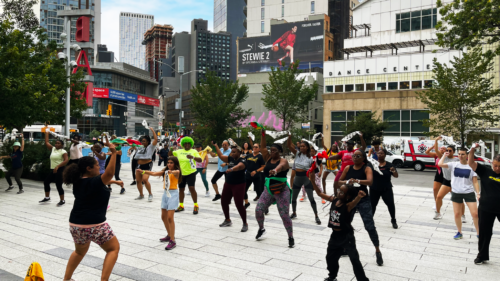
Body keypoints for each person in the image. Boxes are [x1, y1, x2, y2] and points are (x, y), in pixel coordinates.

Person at [62, 137, 121, 281]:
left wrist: (113, 181)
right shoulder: (95, 181)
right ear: (89, 168)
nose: (98, 167)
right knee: (113, 248)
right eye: (96, 165)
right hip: (95, 224)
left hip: (76, 225)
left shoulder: (78, 181)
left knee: (79, 252)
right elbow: (107, 174)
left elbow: (101, 180)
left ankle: (66, 279)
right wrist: (113, 153)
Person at [312, 183, 369, 281]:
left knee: (354, 260)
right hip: (335, 236)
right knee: (330, 258)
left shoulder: (348, 205)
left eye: (342, 192)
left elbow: (355, 202)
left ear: (348, 196)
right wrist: (312, 181)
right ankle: (332, 277)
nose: (339, 192)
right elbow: (320, 193)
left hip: (347, 237)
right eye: (339, 190)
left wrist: (359, 197)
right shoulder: (334, 200)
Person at [339, 149, 383, 266]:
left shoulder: (366, 168)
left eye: (358, 156)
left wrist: (357, 181)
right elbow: (339, 181)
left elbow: (370, 182)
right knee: (346, 224)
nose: (355, 158)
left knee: (369, 226)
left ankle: (377, 250)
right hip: (350, 200)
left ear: (364, 158)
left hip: (363, 200)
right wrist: (348, 182)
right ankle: (345, 247)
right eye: (354, 156)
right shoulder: (348, 168)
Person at [255, 130, 293, 247]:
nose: (272, 152)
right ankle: (261, 229)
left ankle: (290, 237)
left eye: (274, 151)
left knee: (284, 215)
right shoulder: (267, 158)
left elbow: (281, 167)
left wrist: (275, 170)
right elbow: (262, 147)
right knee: (258, 210)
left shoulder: (284, 161)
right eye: (271, 150)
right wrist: (262, 134)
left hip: (282, 190)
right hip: (269, 189)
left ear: (280, 152)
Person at [138, 156, 181, 250]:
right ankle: (169, 235)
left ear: (175, 164)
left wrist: (171, 171)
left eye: (171, 163)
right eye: (168, 162)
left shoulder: (177, 171)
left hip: (173, 194)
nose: (169, 164)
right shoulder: (165, 171)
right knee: (163, 216)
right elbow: (154, 173)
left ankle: (172, 240)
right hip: (165, 193)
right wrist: (144, 171)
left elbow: (176, 172)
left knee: (170, 217)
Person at [467, 143, 500, 264]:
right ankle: (482, 255)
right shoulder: (485, 171)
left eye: (499, 167)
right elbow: (471, 163)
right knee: (485, 233)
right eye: (495, 166)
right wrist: (472, 150)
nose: (496, 169)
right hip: (486, 208)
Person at [439, 147, 479, 240]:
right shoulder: (454, 164)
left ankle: (479, 233)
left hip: (469, 192)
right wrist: (444, 155)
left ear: (467, 155)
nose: (460, 156)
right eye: (459, 154)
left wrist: (478, 193)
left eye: (463, 154)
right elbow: (440, 164)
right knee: (457, 214)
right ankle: (459, 232)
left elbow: (475, 181)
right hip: (456, 192)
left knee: (475, 214)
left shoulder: (472, 166)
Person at [214, 142, 249, 231]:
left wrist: (231, 169)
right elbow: (221, 156)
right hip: (228, 183)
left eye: (234, 152)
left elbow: (239, 166)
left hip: (239, 184)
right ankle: (227, 220)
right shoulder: (230, 158)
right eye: (231, 152)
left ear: (239, 152)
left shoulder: (243, 160)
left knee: (239, 204)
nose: (232, 153)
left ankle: (245, 223)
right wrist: (216, 146)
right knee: (223, 201)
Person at [287, 136, 321, 224]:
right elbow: (288, 145)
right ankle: (294, 213)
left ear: (307, 147)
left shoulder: (311, 157)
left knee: (311, 198)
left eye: (303, 146)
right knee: (293, 198)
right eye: (300, 146)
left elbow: (313, 172)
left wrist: (313, 183)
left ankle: (316, 216)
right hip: (297, 179)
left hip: (306, 179)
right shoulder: (297, 154)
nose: (301, 147)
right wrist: (289, 137)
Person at [169, 137, 202, 214]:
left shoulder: (194, 151)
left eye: (188, 143)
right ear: (183, 144)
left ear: (191, 144)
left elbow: (200, 160)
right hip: (181, 173)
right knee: (181, 189)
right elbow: (170, 155)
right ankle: (181, 206)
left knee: (191, 188)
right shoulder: (179, 151)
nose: (187, 145)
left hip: (191, 172)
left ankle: (196, 205)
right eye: (185, 143)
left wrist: (193, 157)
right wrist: (170, 149)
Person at [434, 143, 465, 220]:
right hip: (446, 181)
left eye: (450, 150)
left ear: (453, 152)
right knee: (438, 197)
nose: (448, 152)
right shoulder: (443, 157)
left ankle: (462, 215)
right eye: (447, 150)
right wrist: (436, 140)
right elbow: (437, 153)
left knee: (459, 200)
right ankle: (438, 213)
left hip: (455, 182)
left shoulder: (457, 159)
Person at [370, 149, 399, 229]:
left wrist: (393, 171)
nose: (380, 154)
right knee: (372, 205)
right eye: (378, 153)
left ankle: (393, 220)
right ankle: (370, 221)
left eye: (382, 153)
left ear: (385, 155)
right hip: (374, 188)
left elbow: (396, 176)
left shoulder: (389, 165)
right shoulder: (372, 164)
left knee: (390, 204)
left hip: (386, 188)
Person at [40, 131, 69, 206]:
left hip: (60, 169)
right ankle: (47, 197)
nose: (56, 144)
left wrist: (58, 166)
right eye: (56, 143)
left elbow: (66, 160)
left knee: (58, 185)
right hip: (53, 169)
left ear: (62, 145)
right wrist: (47, 133)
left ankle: (62, 200)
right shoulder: (53, 149)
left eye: (58, 143)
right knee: (46, 182)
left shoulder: (63, 151)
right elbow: (46, 142)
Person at [134, 127, 158, 202]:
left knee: (145, 180)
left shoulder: (151, 147)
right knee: (138, 181)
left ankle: (150, 194)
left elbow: (156, 140)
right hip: (139, 165)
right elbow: (135, 150)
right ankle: (141, 195)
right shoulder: (140, 147)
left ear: (148, 142)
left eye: (144, 141)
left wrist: (152, 130)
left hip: (147, 165)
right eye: (142, 141)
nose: (142, 142)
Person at [425, 139, 447, 210]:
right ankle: (436, 202)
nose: (442, 149)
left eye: (444, 149)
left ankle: (440, 200)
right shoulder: (436, 155)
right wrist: (433, 146)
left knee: (448, 190)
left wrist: (436, 140)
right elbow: (427, 152)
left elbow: (437, 151)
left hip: (446, 174)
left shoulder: (444, 156)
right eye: (441, 148)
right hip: (439, 173)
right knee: (435, 189)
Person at [244, 143, 265, 209]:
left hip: (256, 176)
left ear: (259, 149)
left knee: (259, 192)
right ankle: (247, 203)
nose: (255, 148)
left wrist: (256, 171)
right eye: (254, 147)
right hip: (248, 175)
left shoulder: (260, 157)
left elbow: (263, 167)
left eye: (256, 147)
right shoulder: (249, 155)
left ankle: (264, 206)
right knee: (243, 190)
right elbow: (245, 164)